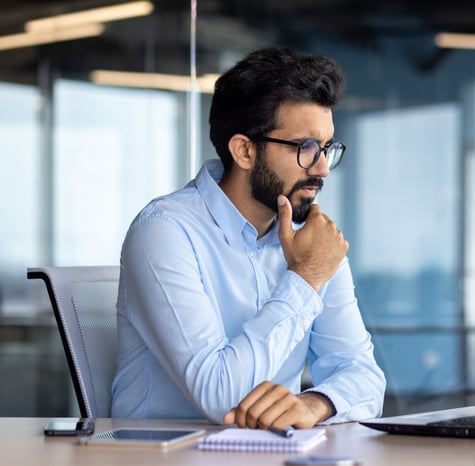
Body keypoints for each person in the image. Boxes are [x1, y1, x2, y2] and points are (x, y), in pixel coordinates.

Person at [111, 47, 386, 429]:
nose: (322, 167)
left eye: (326, 148)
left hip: (266, 453)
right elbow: (221, 396)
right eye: (305, 148)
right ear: (244, 150)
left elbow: (365, 378)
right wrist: (305, 278)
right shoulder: (164, 231)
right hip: (164, 457)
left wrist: (314, 404)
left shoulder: (313, 241)